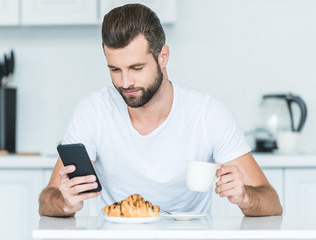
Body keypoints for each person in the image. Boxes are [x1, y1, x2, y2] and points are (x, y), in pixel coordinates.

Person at [38, 3, 283, 217]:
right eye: (115, 69)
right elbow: (47, 200)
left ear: (163, 56)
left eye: (136, 68)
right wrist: (65, 202)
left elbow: (272, 203)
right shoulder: (93, 111)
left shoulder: (208, 114)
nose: (125, 82)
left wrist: (244, 196)